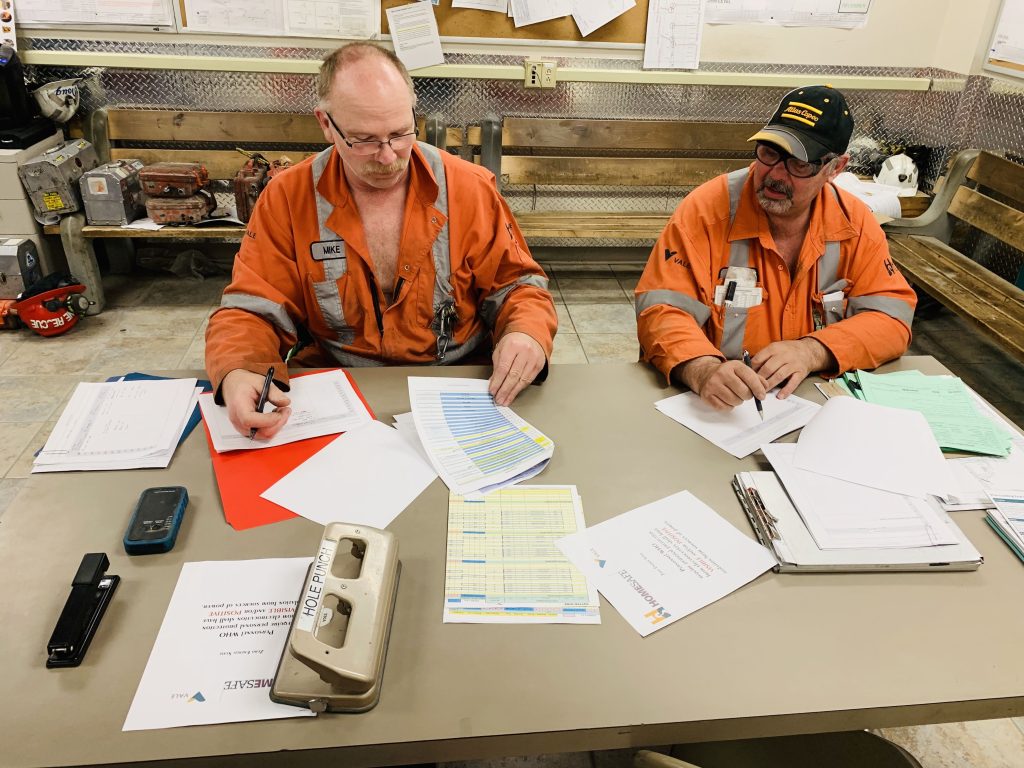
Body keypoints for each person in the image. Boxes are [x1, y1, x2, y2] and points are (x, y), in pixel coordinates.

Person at [206, 42, 557, 437]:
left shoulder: (469, 189)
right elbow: (251, 309)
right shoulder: (289, 198)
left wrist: (526, 334)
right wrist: (238, 370)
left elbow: (518, 287)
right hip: (337, 386)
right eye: (364, 140)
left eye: (399, 132)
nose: (388, 156)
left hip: (459, 380)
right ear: (325, 123)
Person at [634, 85, 916, 410]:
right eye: (769, 152)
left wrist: (813, 351)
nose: (775, 175)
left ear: (835, 168)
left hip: (814, 406)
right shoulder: (705, 212)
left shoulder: (855, 224)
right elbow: (662, 310)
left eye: (799, 163)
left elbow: (891, 318)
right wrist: (701, 368)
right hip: (715, 407)